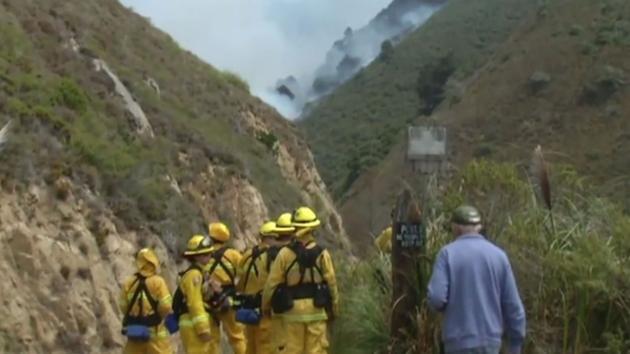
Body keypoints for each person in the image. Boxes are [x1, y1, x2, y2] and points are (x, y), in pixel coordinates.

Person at [427, 205, 526, 354]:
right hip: (490, 343)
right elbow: (513, 307)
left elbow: (436, 298)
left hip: (457, 343)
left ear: (456, 228)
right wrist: (515, 345)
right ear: (479, 227)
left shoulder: (447, 254)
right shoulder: (499, 256)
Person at [262, 207, 339, 354]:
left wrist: (265, 307)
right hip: (317, 310)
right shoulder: (322, 254)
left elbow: (271, 284)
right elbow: (332, 284)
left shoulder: (285, 254)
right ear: (312, 229)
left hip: (291, 313)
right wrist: (335, 308)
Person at [119, 248, 173, 354]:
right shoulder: (158, 282)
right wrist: (159, 316)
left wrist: (134, 316)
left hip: (134, 332)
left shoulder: (129, 283)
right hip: (155, 335)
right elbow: (166, 306)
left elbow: (123, 306)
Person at [237, 221, 279, 354]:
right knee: (265, 348)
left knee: (250, 348)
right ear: (272, 238)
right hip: (265, 314)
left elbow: (238, 283)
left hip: (249, 312)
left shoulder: (247, 255)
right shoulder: (273, 257)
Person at [206, 222, 247, 354]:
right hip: (229, 299)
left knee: (212, 339)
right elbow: (245, 273)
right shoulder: (233, 255)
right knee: (237, 336)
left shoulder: (204, 255)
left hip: (209, 300)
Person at [178, 235, 214, 354]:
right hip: (192, 325)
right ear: (197, 256)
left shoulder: (199, 273)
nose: (210, 256)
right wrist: (203, 329)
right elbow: (194, 303)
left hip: (192, 323)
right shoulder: (194, 275)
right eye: (206, 254)